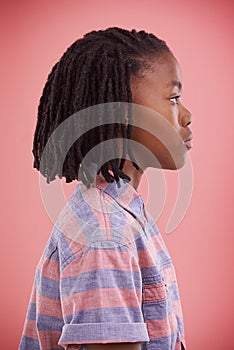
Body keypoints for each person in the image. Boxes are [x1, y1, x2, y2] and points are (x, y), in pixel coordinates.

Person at [19, 27, 192, 350]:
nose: (187, 115)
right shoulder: (105, 235)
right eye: (173, 98)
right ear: (118, 110)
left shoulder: (124, 210)